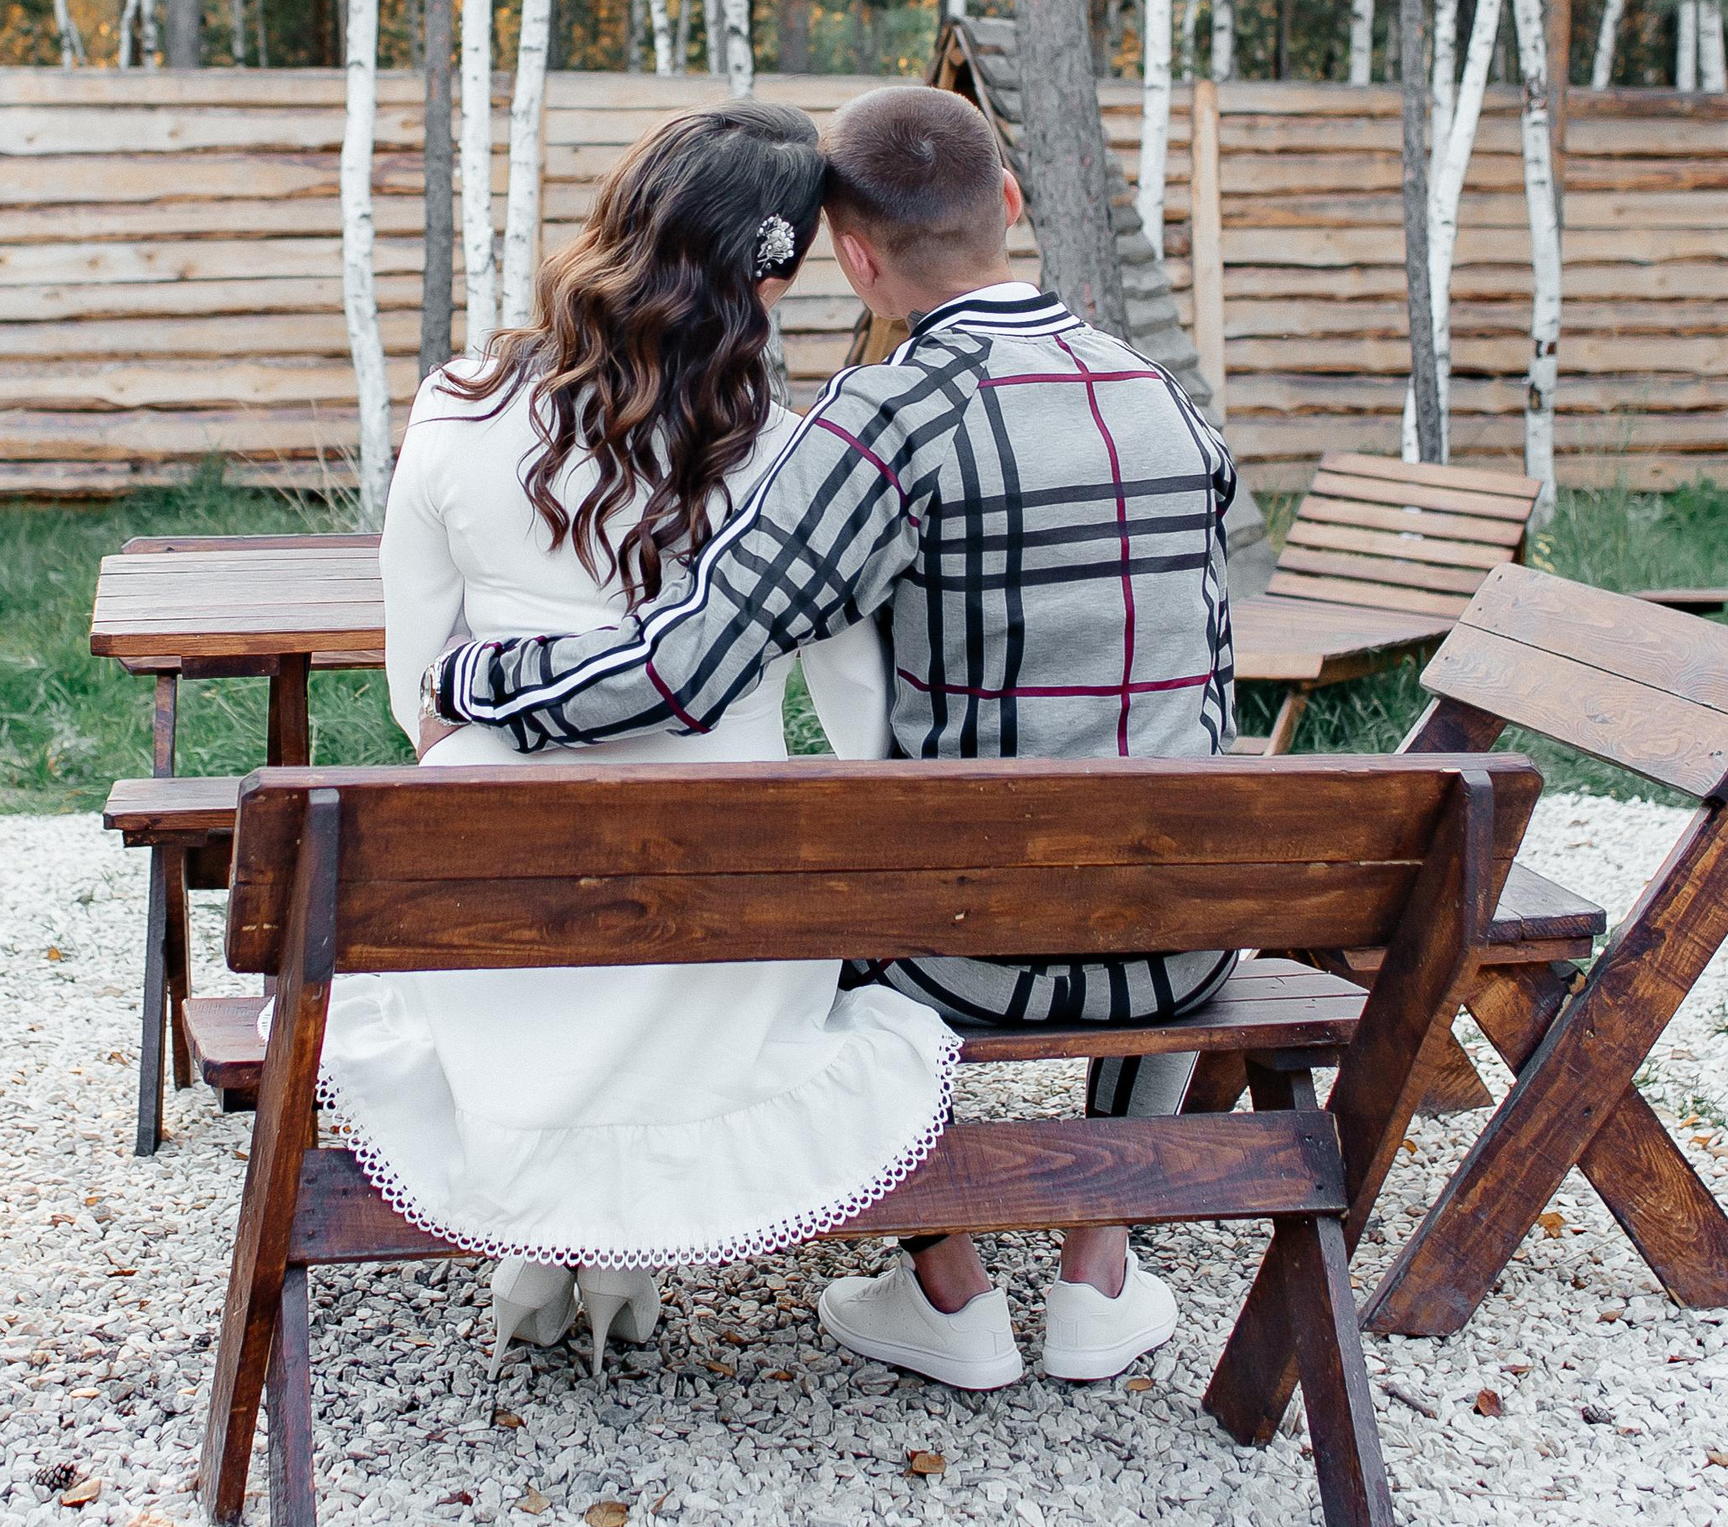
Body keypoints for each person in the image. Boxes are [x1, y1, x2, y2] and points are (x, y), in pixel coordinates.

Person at [428, 83, 1236, 1392]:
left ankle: (947, 1284)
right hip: (1187, 950)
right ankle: (1098, 1270)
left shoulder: (886, 421)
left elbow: (684, 669)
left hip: (972, 960)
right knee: (1162, 816)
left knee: (807, 910)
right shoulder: (1166, 401)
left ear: (854, 260)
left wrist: (486, 675)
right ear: (1009, 202)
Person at [317, 101, 957, 1375]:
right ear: (768, 274)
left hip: (497, 910)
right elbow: (862, 720)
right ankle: (622, 1247)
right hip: (724, 915)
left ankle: (538, 1223)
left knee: (509, 866)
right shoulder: (793, 455)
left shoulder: (452, 408)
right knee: (723, 913)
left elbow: (417, 693)